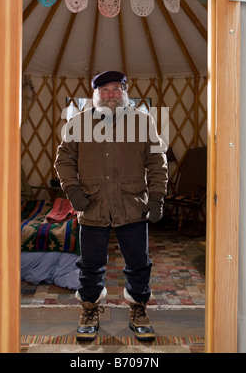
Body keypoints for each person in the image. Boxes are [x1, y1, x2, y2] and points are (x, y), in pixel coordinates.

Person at [55, 70, 168, 341]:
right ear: (95, 95)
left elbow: (157, 162)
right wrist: (72, 191)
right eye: (104, 90)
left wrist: (156, 198)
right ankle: (90, 310)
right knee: (90, 265)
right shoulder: (78, 123)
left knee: (139, 263)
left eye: (116, 89)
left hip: (132, 205)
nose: (110, 95)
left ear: (124, 92)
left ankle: (138, 310)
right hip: (92, 204)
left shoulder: (142, 121)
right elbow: (64, 160)